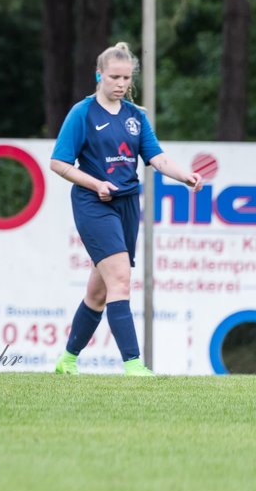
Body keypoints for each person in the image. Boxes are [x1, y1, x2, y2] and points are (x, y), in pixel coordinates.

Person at [49, 42, 201, 376]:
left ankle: (67, 360)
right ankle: (134, 365)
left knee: (99, 291)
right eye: (114, 77)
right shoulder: (83, 113)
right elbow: (59, 163)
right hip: (94, 203)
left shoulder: (136, 116)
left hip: (128, 204)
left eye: (126, 78)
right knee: (120, 278)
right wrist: (96, 184)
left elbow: (156, 158)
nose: (120, 84)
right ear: (99, 75)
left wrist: (183, 176)